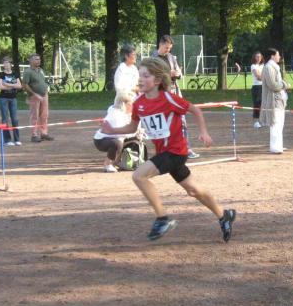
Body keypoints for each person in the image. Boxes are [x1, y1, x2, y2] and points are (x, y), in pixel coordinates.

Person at [99, 57, 237, 242]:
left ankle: (162, 218)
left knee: (139, 176)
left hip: (175, 152)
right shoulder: (139, 103)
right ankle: (224, 215)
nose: (140, 79)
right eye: (139, 75)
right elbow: (132, 127)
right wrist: (111, 131)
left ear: (157, 80)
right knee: (194, 190)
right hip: (164, 154)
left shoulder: (169, 99)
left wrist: (204, 132)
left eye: (146, 76)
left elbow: (195, 110)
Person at [156, 35, 198, 159]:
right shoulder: (153, 59)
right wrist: (169, 73)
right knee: (164, 124)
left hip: (175, 92)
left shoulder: (171, 57)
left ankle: (186, 149)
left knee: (182, 121)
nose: (168, 50)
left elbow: (179, 73)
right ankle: (165, 151)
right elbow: (153, 75)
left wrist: (178, 73)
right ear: (160, 44)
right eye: (166, 48)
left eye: (170, 48)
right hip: (161, 95)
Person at [94, 91, 141, 172]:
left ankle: (121, 161)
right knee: (117, 143)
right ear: (124, 104)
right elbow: (119, 133)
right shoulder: (116, 115)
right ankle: (107, 164)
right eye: (132, 103)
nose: (133, 106)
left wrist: (137, 133)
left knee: (134, 139)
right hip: (101, 140)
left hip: (114, 136)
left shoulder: (123, 112)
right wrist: (135, 133)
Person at [260, 48, 289, 154]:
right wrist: (285, 84)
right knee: (275, 123)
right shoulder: (268, 67)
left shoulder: (275, 67)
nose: (279, 57)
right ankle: (275, 147)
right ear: (272, 56)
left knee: (280, 123)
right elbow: (272, 85)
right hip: (273, 100)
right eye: (278, 55)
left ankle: (278, 145)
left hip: (279, 99)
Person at [23, 53, 53, 142]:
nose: (38, 61)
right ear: (31, 61)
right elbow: (25, 85)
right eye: (36, 59)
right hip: (34, 96)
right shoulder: (28, 71)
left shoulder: (41, 70)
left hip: (44, 95)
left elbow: (42, 81)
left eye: (39, 59)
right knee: (34, 116)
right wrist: (34, 94)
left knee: (44, 115)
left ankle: (44, 133)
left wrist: (46, 88)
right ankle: (34, 135)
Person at [0, 58, 22, 146]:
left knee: (14, 119)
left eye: (7, 63)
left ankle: (17, 139)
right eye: (4, 63)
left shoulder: (15, 74)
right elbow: (1, 86)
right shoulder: (1, 74)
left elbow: (19, 86)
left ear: (10, 64)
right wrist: (14, 86)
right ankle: (7, 140)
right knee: (5, 119)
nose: (6, 64)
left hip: (13, 98)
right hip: (3, 98)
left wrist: (8, 84)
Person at [250, 51, 264, 129]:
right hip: (256, 87)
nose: (258, 58)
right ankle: (256, 121)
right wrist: (266, 78)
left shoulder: (263, 65)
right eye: (257, 57)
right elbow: (258, 77)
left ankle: (262, 121)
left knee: (263, 104)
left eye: (260, 56)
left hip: (264, 86)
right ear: (254, 57)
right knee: (257, 104)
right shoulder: (253, 66)